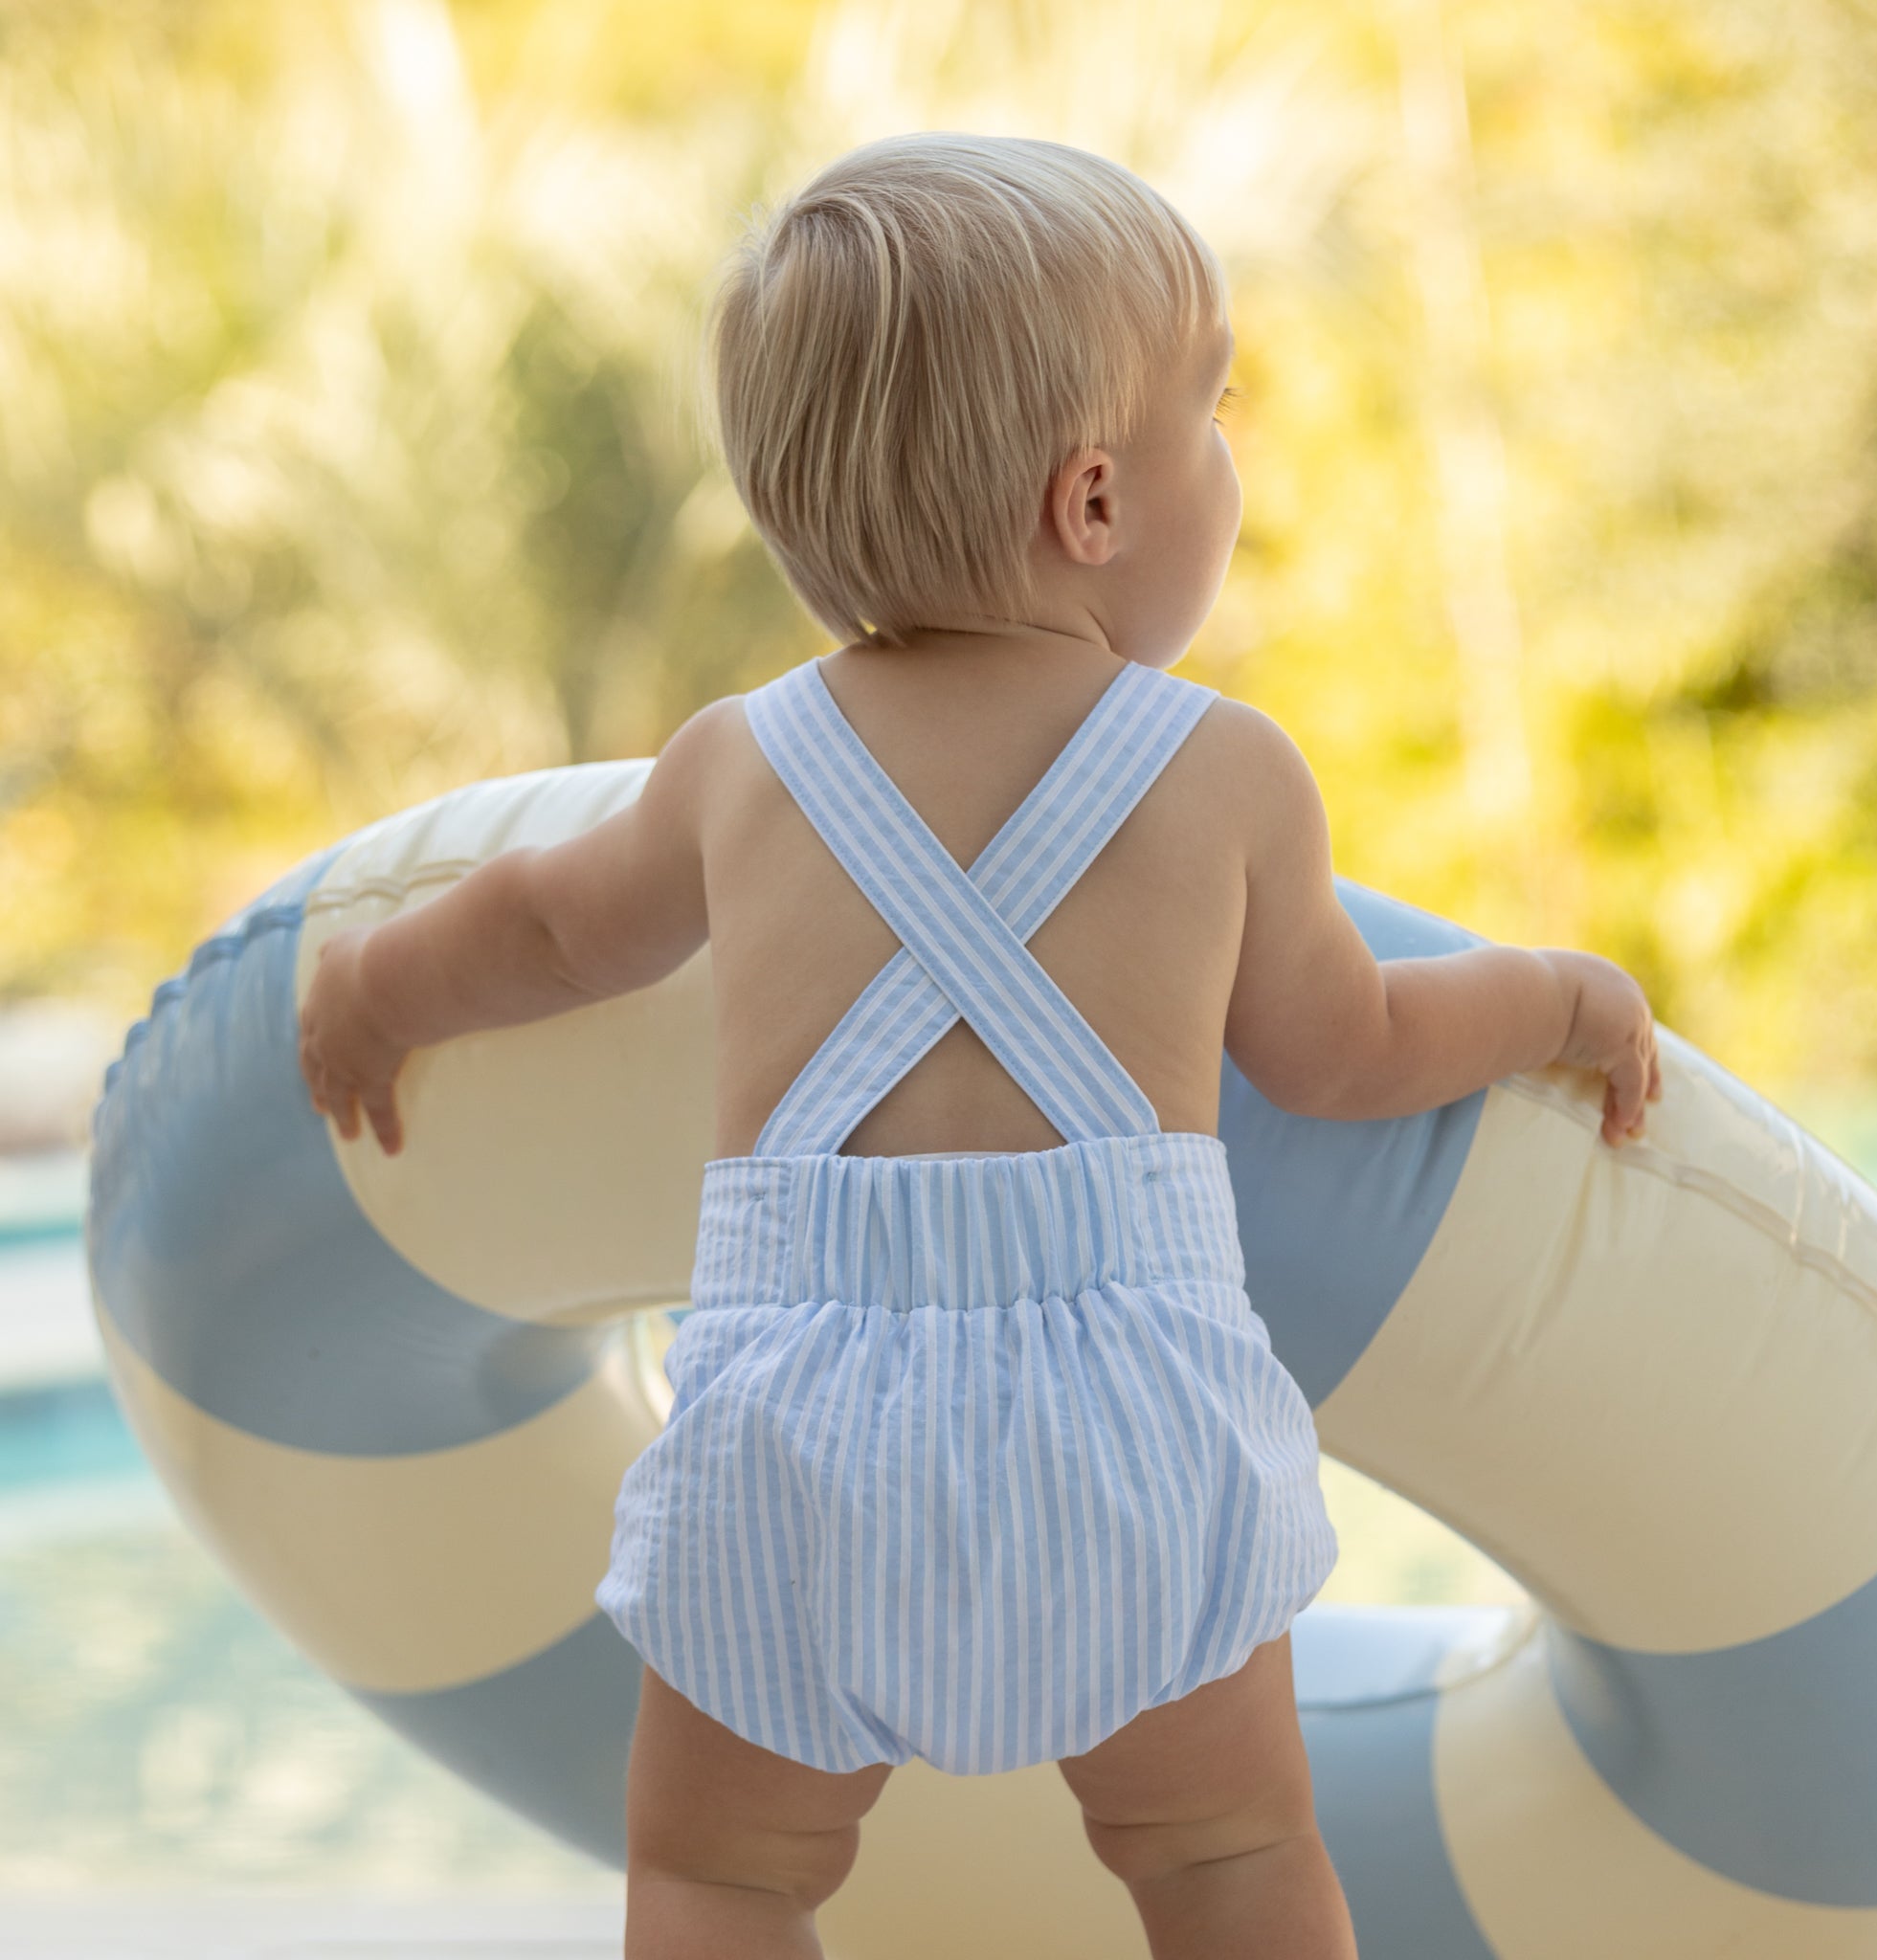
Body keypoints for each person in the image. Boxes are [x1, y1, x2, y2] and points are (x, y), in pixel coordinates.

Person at [299, 132, 1661, 1960]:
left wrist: (382, 993)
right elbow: (1352, 1048)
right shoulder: (1222, 773)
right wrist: (1558, 999)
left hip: (802, 1432)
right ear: (1097, 502)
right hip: (1129, 1431)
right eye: (1216, 411)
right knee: (1224, 1859)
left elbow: (547, 930)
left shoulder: (741, 765)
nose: (1232, 453)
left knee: (722, 1876)